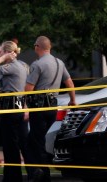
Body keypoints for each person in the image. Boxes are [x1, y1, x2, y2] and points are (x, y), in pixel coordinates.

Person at [24, 36, 76, 182]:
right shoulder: (59, 63)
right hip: (52, 107)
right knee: (40, 140)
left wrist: (26, 106)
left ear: (37, 47)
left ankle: (40, 174)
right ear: (50, 47)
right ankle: (39, 172)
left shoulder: (37, 64)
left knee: (34, 142)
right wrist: (73, 101)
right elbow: (70, 83)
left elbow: (28, 89)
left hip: (38, 108)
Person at [0, 41, 29, 182]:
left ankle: (14, 177)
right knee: (18, 145)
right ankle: (29, 173)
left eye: (0, 52)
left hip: (11, 110)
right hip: (14, 107)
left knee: (11, 147)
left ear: (7, 52)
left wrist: (4, 58)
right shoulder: (21, 65)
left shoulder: (12, 66)